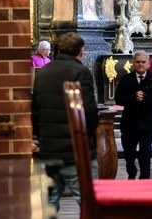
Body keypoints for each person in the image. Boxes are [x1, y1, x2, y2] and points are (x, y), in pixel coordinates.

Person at [31, 32, 98, 210]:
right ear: (81, 51)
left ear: (58, 50)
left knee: (49, 203)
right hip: (76, 150)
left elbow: (35, 110)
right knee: (88, 203)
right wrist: (92, 137)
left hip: (49, 149)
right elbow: (89, 110)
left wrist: (42, 137)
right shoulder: (81, 72)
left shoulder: (42, 73)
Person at [115, 51, 152, 180]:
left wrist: (145, 97)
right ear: (133, 63)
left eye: (143, 62)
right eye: (138, 62)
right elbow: (119, 99)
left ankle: (145, 177)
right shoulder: (126, 79)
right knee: (129, 152)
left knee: (146, 151)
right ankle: (131, 171)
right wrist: (133, 98)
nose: (140, 64)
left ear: (148, 64)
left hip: (147, 123)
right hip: (129, 123)